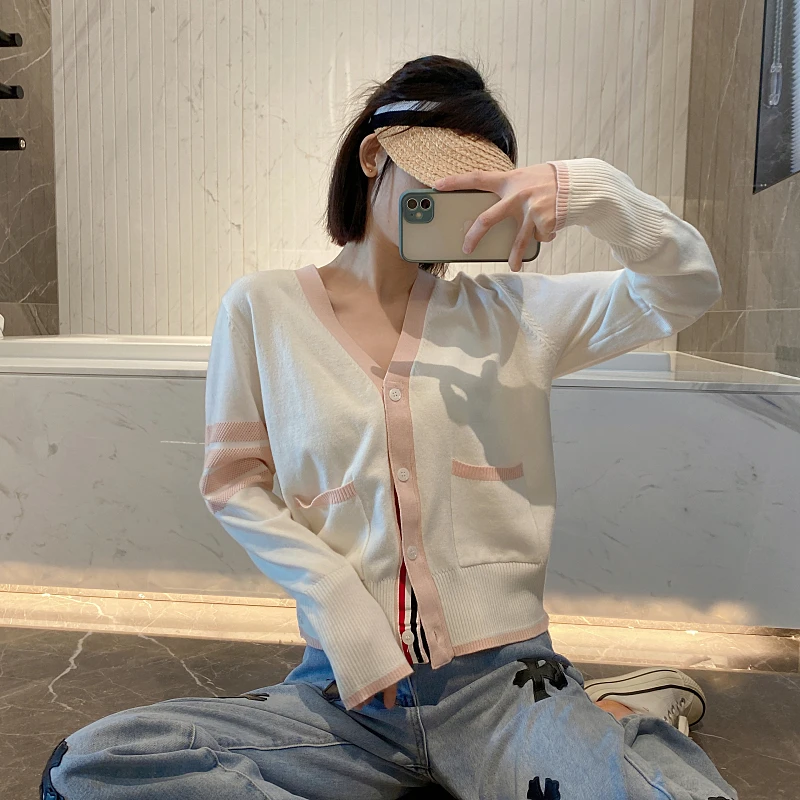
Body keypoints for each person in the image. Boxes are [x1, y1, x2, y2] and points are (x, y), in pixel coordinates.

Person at [42, 55, 737, 800]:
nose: (458, 207)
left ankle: (604, 717)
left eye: (479, 195)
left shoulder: (515, 315)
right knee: (93, 767)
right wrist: (339, 604)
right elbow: (234, 483)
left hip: (508, 690)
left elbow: (685, 287)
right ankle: (595, 727)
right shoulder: (263, 309)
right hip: (345, 695)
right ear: (375, 156)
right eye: (440, 181)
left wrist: (589, 190)